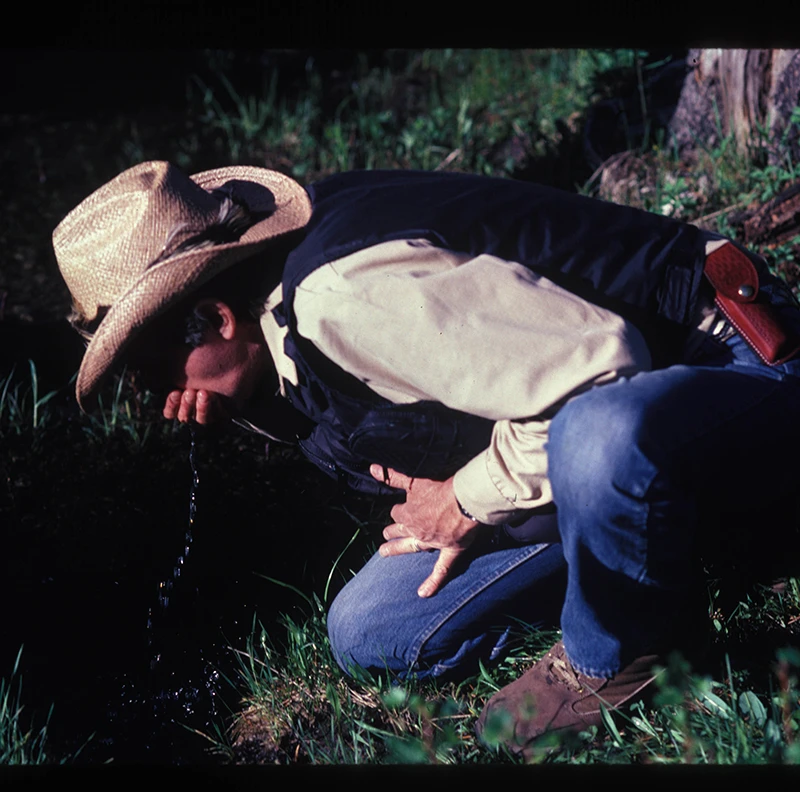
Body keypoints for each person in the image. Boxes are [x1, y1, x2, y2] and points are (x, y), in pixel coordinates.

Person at [53, 160, 800, 759]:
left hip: (727, 364)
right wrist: (247, 407)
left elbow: (606, 373)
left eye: (153, 373)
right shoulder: (269, 314)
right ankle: (686, 552)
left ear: (213, 317)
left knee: (601, 435)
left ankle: (618, 657)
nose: (155, 400)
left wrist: (466, 500)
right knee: (372, 632)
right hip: (595, 433)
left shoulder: (344, 298)